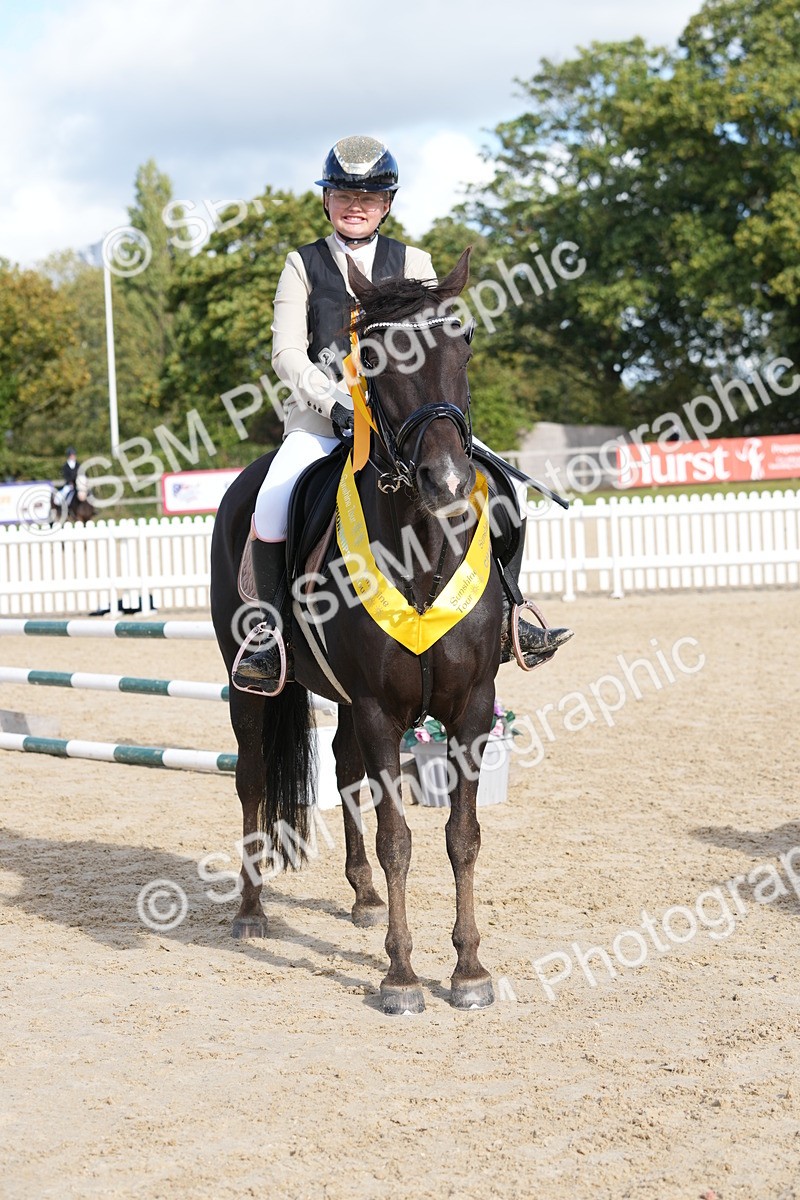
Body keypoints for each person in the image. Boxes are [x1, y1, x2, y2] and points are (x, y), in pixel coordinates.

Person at [233, 135, 571, 688]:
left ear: (387, 203)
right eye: (344, 193)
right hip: (324, 420)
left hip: (407, 421)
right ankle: (272, 637)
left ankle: (511, 613)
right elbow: (287, 352)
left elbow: (432, 340)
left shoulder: (413, 261)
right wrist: (337, 402)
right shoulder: (304, 264)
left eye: (369, 195)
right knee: (272, 503)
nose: (356, 204)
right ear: (327, 200)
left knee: (507, 489)